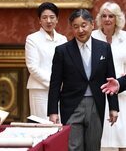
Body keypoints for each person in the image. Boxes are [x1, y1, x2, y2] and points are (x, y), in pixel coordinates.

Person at [47, 8, 119, 151]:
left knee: (93, 147)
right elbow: (55, 83)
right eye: (75, 26)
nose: (80, 30)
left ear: (92, 25)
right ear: (71, 29)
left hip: (96, 105)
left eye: (84, 25)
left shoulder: (104, 48)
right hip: (71, 106)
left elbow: (110, 79)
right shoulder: (62, 51)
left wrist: (113, 107)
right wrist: (53, 112)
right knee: (74, 147)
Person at [92, 2, 126, 151]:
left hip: (122, 92)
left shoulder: (125, 37)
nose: (107, 19)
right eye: (104, 16)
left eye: (111, 16)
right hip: (101, 91)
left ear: (117, 18)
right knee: (104, 139)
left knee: (122, 136)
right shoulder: (92, 36)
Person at [25, 2, 67, 120]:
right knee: (43, 125)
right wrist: (54, 84)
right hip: (40, 90)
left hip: (61, 90)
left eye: (52, 17)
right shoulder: (32, 39)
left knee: (59, 127)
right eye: (44, 17)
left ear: (57, 19)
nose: (48, 21)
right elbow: (33, 67)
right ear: (39, 20)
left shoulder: (62, 39)